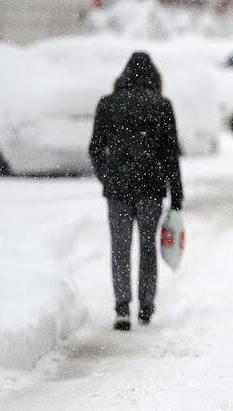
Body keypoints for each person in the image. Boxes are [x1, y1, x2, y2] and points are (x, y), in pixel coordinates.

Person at [89, 52, 183, 331]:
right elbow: (170, 154)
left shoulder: (108, 104)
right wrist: (176, 193)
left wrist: (106, 175)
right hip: (150, 187)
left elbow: (95, 147)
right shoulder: (162, 105)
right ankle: (145, 305)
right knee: (147, 246)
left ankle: (121, 307)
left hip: (117, 188)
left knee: (120, 246)